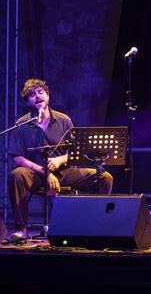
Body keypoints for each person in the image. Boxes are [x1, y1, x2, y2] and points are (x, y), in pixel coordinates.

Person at [8, 78, 113, 239]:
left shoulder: (64, 120)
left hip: (65, 173)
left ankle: (97, 224)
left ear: (48, 95)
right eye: (31, 95)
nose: (37, 97)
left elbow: (76, 151)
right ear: (28, 101)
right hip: (37, 175)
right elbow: (18, 158)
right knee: (17, 174)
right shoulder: (21, 124)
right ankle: (22, 229)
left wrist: (60, 160)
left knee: (104, 177)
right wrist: (45, 172)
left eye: (40, 92)